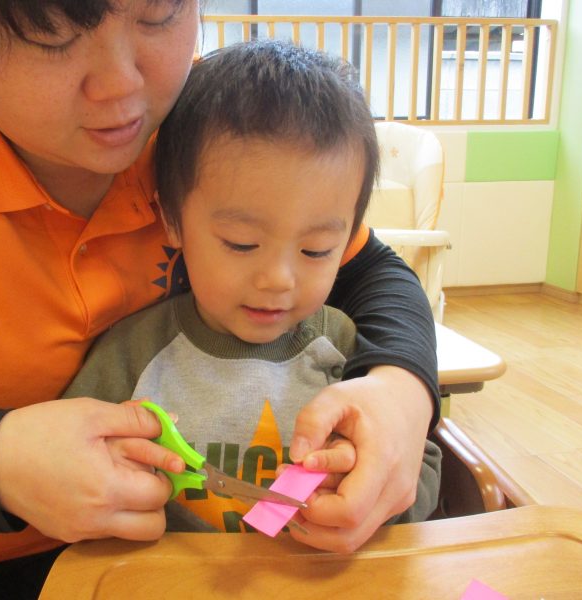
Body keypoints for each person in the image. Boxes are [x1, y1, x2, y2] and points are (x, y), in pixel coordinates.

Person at [0, 0, 438, 596]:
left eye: (158, 16)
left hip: (174, 552)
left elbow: (369, 269)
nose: (122, 87)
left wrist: (402, 389)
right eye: (52, 35)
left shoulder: (196, 114)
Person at [63, 39, 441, 536]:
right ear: (172, 220)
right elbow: (72, 458)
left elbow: (424, 469)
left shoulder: (348, 351)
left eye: (316, 251)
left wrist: (369, 485)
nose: (278, 280)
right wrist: (110, 467)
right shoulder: (133, 355)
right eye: (242, 244)